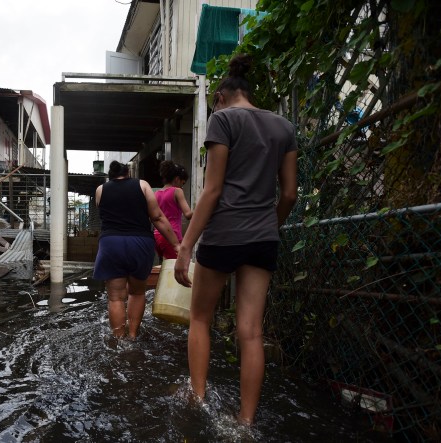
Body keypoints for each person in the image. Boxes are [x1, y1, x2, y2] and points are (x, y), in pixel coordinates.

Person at [173, 54, 298, 425]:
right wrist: (269, 226)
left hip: (224, 234)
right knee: (251, 332)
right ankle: (245, 424)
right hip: (263, 238)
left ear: (220, 97)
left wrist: (185, 247)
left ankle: (198, 399)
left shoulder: (223, 119)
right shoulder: (284, 127)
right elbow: (289, 194)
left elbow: (212, 191)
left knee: (199, 318)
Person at [93, 161, 180, 339]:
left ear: (111, 176)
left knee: (116, 297)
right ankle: (132, 336)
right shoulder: (142, 185)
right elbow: (157, 217)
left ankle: (119, 340)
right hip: (139, 243)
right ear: (128, 174)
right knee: (137, 292)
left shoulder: (101, 190)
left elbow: (103, 213)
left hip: (111, 244)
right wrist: (176, 244)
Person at [154, 161, 193, 259]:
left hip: (157, 235)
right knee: (175, 266)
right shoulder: (177, 191)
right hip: (172, 236)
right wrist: (202, 208)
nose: (182, 187)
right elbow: (188, 214)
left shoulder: (156, 194)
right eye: (182, 183)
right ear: (177, 179)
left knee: (164, 265)